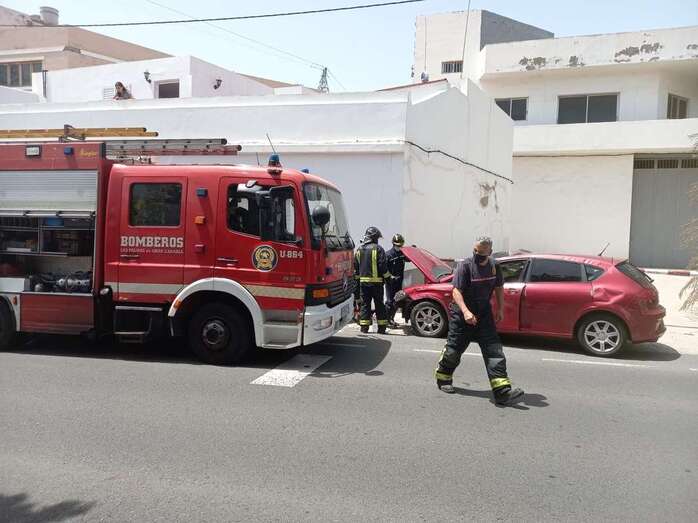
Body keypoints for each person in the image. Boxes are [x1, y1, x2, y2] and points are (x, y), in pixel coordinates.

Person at [434, 236, 524, 406]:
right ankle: (443, 377)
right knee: (454, 349)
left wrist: (500, 308)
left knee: (494, 351)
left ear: (490, 252)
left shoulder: (494, 266)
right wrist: (466, 312)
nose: (477, 254)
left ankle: (502, 392)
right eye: (475, 251)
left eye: (482, 252)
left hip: (484, 315)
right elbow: (456, 291)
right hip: (462, 315)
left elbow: (499, 287)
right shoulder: (465, 266)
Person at [355, 226, 391, 334]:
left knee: (365, 305)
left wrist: (357, 285)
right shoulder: (378, 249)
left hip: (363, 284)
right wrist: (388, 278)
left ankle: (364, 328)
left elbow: (356, 270)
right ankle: (381, 328)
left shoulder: (359, 250)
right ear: (374, 237)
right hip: (377, 284)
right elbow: (383, 267)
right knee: (379, 304)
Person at [385, 233, 406, 328]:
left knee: (397, 301)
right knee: (390, 301)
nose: (399, 247)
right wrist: (391, 277)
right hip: (390, 282)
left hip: (399, 281)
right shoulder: (388, 255)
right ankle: (386, 320)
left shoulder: (402, 254)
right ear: (393, 244)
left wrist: (413, 250)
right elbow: (384, 269)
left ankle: (391, 319)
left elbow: (410, 258)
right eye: (397, 245)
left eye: (400, 245)